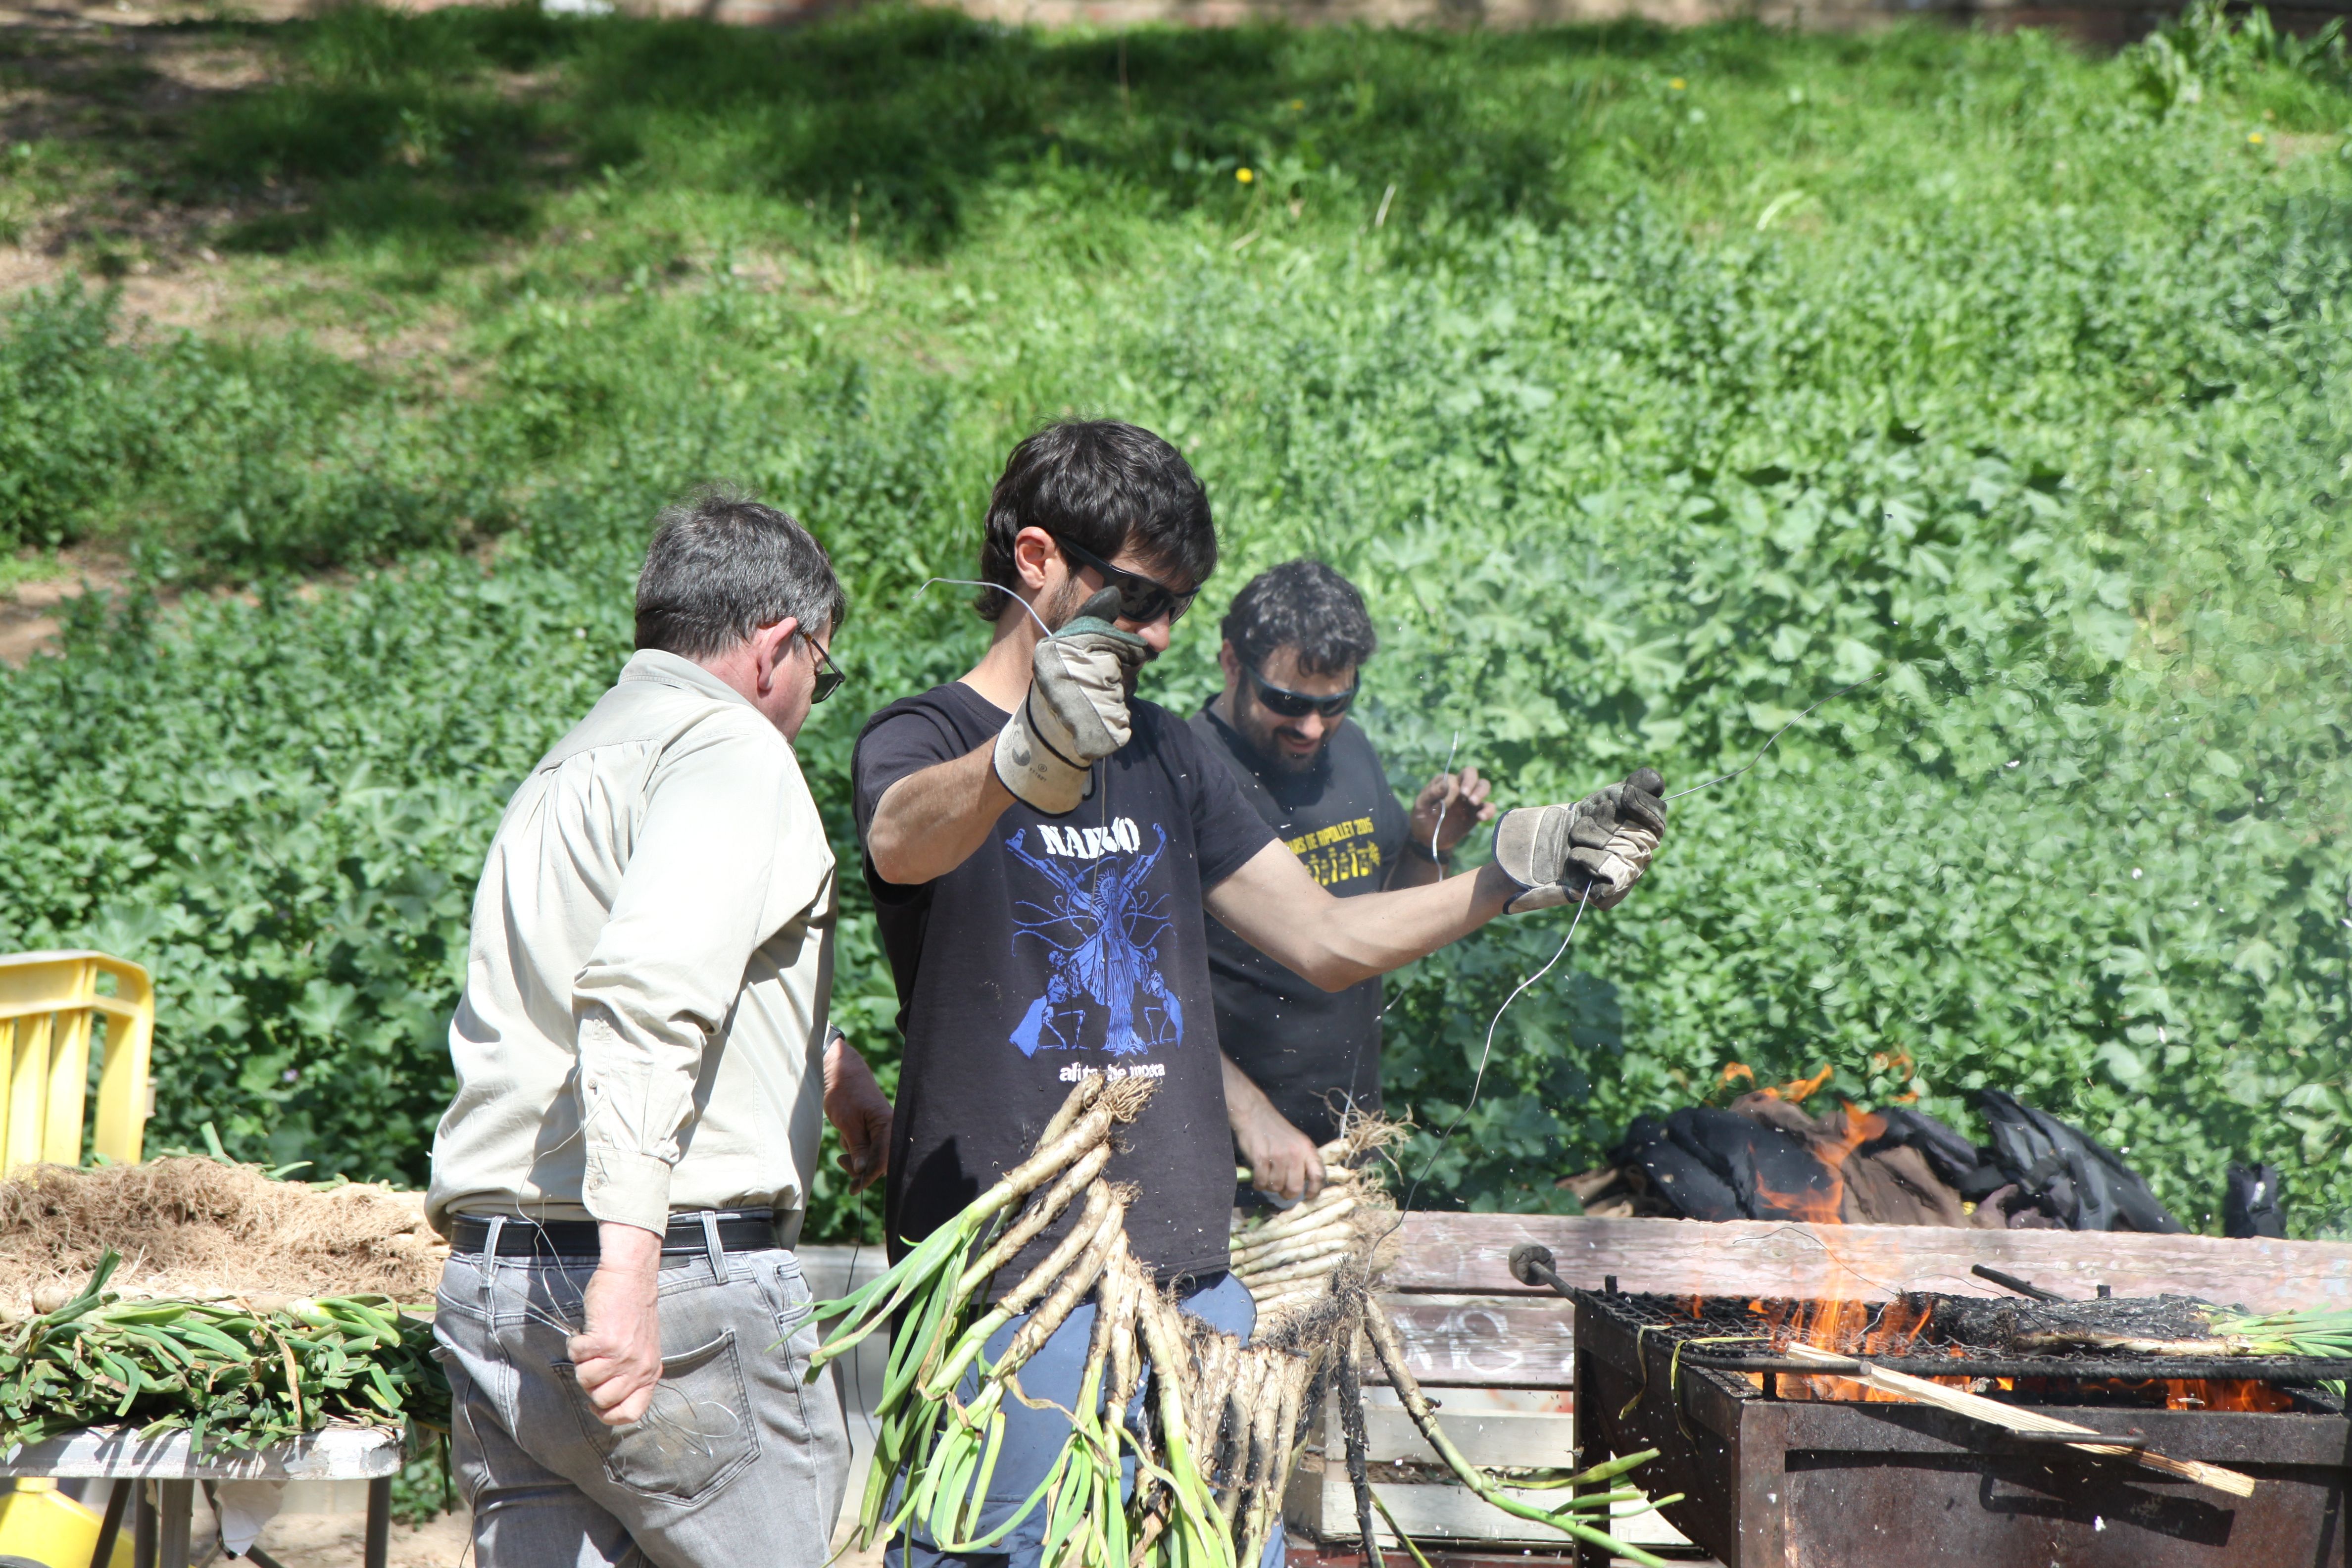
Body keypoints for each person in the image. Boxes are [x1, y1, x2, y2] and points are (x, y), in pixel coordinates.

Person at [851, 419, 1669, 1568]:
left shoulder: (1167, 755)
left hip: (1194, 1284)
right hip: (1012, 1295)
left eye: (1180, 601)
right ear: (1035, 559)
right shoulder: (925, 738)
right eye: (1137, 597)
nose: (1164, 632)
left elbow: (1327, 939)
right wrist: (1025, 753)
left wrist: (1516, 873)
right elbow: (902, 841)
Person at [427, 489, 895, 1568]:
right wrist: (626, 1276)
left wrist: (822, 1063)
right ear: (780, 645)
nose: (813, 697)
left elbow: (585, 980)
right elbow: (642, 998)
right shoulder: (732, 751)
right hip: (663, 1287)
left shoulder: (570, 763)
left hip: (497, 1294)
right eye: (823, 667)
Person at [1190, 560, 1493, 1204]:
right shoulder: (1190, 774)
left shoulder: (1347, 748)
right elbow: (1136, 993)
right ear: (1229, 662)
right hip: (1224, 1152)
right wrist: (1248, 1116)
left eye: (1333, 704)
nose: (1310, 729)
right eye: (1287, 703)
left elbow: (1375, 925)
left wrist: (1426, 844)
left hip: (1347, 1148)